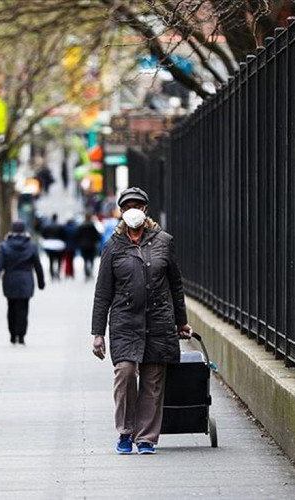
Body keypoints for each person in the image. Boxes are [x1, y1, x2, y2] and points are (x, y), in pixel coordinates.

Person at [90, 186, 193, 455]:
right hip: (125, 321)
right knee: (124, 373)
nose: (132, 210)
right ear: (121, 211)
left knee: (153, 380)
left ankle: (146, 437)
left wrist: (181, 322)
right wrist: (97, 332)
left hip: (158, 320)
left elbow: (176, 285)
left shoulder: (164, 241)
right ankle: (125, 432)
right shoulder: (113, 246)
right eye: (127, 206)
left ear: (145, 209)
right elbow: (103, 292)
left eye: (137, 205)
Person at [0, 220, 45, 345]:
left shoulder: (4, 246)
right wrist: (41, 283)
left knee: (11, 307)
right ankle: (21, 335)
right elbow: (38, 266)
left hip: (10, 280)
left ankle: (12, 334)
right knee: (23, 308)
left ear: (11, 231)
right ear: (24, 231)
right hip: (26, 281)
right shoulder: (31, 246)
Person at [75, 213, 102, 280]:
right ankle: (90, 271)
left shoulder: (81, 226)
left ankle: (86, 273)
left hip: (83, 245)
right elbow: (97, 235)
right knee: (91, 259)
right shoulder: (92, 226)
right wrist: (96, 241)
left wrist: (78, 243)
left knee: (85, 260)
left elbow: (77, 235)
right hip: (91, 245)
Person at [40, 213, 66, 280]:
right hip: (59, 245)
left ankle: (52, 275)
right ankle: (58, 273)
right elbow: (64, 235)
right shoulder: (60, 226)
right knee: (59, 260)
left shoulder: (47, 226)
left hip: (49, 245)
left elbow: (43, 234)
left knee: (51, 261)